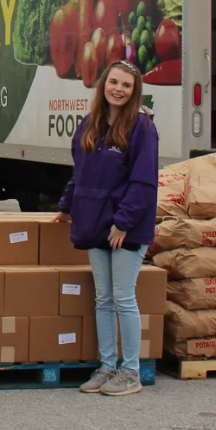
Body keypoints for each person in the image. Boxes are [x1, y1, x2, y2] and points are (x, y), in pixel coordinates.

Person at [54, 60, 159, 397]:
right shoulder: (89, 124)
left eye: (126, 85)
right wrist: (67, 207)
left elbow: (143, 182)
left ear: (134, 91)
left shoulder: (142, 127)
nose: (119, 89)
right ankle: (107, 366)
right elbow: (79, 173)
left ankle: (131, 372)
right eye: (114, 82)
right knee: (103, 298)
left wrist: (123, 223)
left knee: (124, 298)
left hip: (125, 228)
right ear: (103, 85)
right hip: (95, 223)